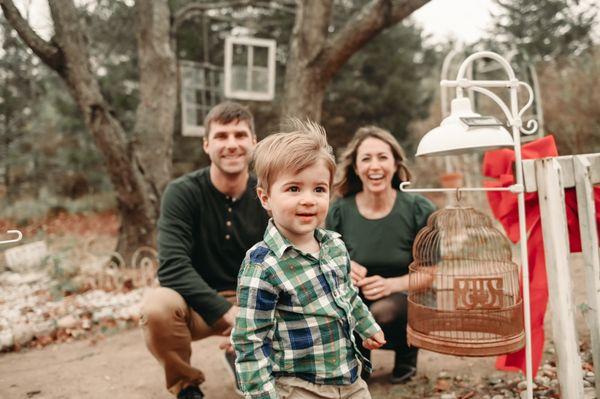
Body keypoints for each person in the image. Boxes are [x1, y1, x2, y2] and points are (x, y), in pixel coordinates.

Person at [231, 120, 386, 399]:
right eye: (293, 189)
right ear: (265, 197)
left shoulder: (334, 246)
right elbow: (250, 340)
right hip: (298, 386)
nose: (308, 200)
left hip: (350, 377)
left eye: (318, 189)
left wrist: (366, 325)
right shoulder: (262, 265)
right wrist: (262, 395)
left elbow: (347, 295)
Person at [140, 102, 269, 399]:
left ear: (254, 142)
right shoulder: (182, 192)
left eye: (240, 135)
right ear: (207, 144)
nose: (232, 144)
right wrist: (227, 313)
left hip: (257, 299)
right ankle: (185, 385)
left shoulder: (268, 192)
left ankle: (246, 358)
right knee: (156, 307)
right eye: (222, 136)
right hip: (196, 304)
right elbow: (171, 267)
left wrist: (252, 316)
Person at [326, 126, 435, 384]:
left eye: (382, 157)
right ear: (355, 167)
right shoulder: (339, 210)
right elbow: (325, 258)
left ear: (396, 164)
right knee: (346, 309)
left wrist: (391, 284)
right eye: (366, 158)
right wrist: (344, 265)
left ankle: (407, 355)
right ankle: (359, 362)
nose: (375, 166)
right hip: (354, 294)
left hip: (408, 295)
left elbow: (432, 272)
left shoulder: (419, 209)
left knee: (380, 312)